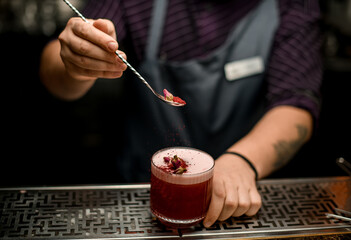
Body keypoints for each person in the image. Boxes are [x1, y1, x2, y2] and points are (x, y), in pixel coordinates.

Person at [39, 0, 322, 227]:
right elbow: (54, 70)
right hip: (141, 192)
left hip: (238, 198)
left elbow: (297, 103)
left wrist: (243, 161)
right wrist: (76, 63)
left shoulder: (292, 5)